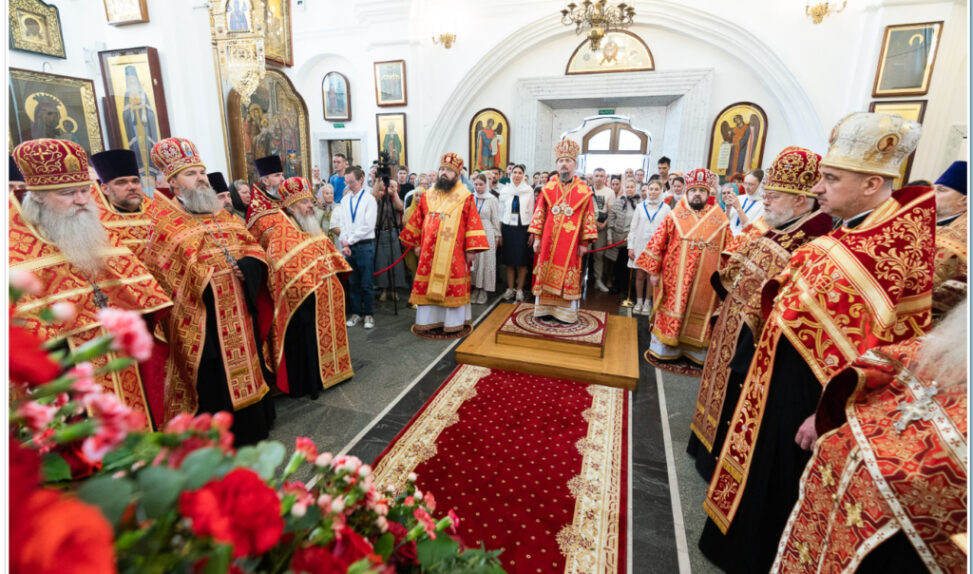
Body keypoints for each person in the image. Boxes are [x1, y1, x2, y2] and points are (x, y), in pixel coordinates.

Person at [701, 113, 935, 574]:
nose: (819, 188)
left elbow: (890, 346)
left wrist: (827, 408)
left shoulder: (892, 247)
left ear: (871, 184)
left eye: (830, 178)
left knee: (780, 481)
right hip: (775, 381)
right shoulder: (848, 230)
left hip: (810, 400)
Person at [774, 301, 967, 574]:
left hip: (907, 545)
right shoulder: (947, 347)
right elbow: (890, 362)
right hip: (843, 493)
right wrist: (829, 409)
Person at [688, 147, 833, 482]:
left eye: (773, 196)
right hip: (735, 324)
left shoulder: (814, 237)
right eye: (765, 194)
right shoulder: (781, 225)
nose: (765, 201)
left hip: (756, 342)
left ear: (800, 200)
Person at [11, 138, 172, 428]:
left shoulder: (100, 239)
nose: (83, 200)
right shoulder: (15, 258)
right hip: (69, 388)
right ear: (36, 198)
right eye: (67, 193)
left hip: (123, 370)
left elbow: (145, 301)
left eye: (86, 190)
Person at [145, 137, 275, 445]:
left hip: (241, 316)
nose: (201, 178)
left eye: (201, 171)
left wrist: (249, 266)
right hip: (203, 324)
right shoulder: (166, 225)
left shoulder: (225, 217)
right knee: (213, 380)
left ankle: (255, 425)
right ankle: (221, 437)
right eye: (191, 174)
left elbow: (255, 250)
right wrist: (205, 283)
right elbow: (164, 277)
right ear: (172, 181)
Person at [247, 176, 354, 399]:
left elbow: (329, 256)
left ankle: (332, 373)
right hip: (299, 304)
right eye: (304, 203)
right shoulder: (281, 233)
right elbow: (279, 269)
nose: (309, 207)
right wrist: (307, 283)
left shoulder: (312, 227)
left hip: (323, 297)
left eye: (309, 201)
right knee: (305, 343)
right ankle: (310, 382)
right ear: (292, 206)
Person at [637, 168, 729, 364]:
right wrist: (653, 271)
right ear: (687, 192)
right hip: (674, 278)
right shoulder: (675, 215)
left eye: (702, 191)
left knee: (699, 312)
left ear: (708, 194)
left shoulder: (719, 218)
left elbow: (730, 248)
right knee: (673, 306)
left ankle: (695, 352)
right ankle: (667, 350)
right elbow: (658, 242)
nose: (697, 194)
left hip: (706, 282)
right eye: (694, 190)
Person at [399, 153, 489, 337]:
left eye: (449, 170)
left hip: (455, 252)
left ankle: (453, 323)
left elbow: (472, 222)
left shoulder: (465, 196)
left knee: (451, 283)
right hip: (428, 252)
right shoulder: (428, 195)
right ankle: (428, 321)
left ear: (457, 174)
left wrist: (471, 249)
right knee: (428, 283)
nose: (444, 173)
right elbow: (418, 219)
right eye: (442, 169)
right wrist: (416, 243)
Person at [529, 140, 598, 323]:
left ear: (574, 165)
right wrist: (536, 238)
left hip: (572, 243)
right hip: (548, 242)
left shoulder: (584, 191)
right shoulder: (547, 189)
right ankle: (544, 309)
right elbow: (539, 214)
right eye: (561, 160)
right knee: (545, 270)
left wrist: (584, 243)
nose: (564, 164)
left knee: (569, 272)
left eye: (568, 160)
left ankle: (565, 313)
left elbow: (588, 218)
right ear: (556, 165)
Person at [89, 148, 155, 261]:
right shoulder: (95, 222)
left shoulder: (158, 213)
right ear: (105, 189)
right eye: (121, 182)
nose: (131, 187)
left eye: (135, 181)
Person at [338, 166, 378, 329]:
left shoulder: (369, 199)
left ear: (361, 179)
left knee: (366, 282)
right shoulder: (345, 200)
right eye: (346, 182)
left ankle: (368, 314)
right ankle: (356, 313)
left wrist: (350, 240)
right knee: (353, 282)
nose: (349, 185)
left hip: (364, 245)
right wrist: (344, 241)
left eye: (352, 182)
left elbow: (368, 226)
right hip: (350, 247)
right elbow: (343, 223)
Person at [627, 179, 670, 315]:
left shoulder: (666, 208)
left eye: (656, 189)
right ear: (647, 190)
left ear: (661, 191)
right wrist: (630, 247)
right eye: (651, 189)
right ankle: (639, 301)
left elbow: (668, 229)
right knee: (639, 274)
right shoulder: (640, 207)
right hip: (640, 245)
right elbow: (633, 229)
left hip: (656, 247)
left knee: (651, 275)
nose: (653, 192)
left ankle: (647, 302)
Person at [931, 160, 967, 318]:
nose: (931, 194)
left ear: (964, 201)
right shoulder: (920, 222)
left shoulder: (964, 234)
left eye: (941, 190)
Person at [498, 164, 536, 302]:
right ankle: (510, 288)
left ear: (524, 175)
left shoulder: (528, 190)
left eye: (520, 172)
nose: (517, 175)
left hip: (523, 228)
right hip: (508, 228)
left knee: (521, 260)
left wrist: (532, 232)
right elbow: (500, 213)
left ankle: (519, 289)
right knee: (509, 260)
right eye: (515, 172)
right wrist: (500, 233)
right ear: (510, 174)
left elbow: (532, 212)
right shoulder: (505, 190)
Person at [373, 176, 406, 303]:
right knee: (381, 262)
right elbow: (373, 197)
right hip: (380, 232)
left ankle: (394, 290)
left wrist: (395, 193)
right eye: (389, 186)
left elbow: (399, 207)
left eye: (394, 186)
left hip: (393, 232)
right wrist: (377, 182)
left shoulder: (394, 198)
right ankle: (384, 290)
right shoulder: (379, 198)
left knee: (395, 262)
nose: (391, 188)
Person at [470, 173, 501, 304]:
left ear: (486, 185)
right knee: (475, 262)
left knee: (486, 261)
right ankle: (475, 288)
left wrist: (497, 236)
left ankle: (484, 290)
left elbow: (496, 219)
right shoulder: (471, 198)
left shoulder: (492, 199)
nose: (478, 187)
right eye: (476, 184)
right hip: (473, 231)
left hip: (487, 231)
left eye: (481, 184)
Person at [606, 177, 640, 297]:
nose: (629, 189)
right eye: (627, 187)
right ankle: (616, 286)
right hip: (618, 239)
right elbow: (611, 221)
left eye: (632, 187)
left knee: (627, 266)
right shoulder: (618, 201)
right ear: (624, 188)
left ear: (636, 188)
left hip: (631, 241)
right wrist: (609, 238)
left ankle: (625, 289)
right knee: (616, 265)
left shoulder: (639, 204)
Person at [589, 167, 614, 292]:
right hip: (588, 227)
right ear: (592, 177)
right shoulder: (586, 190)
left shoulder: (609, 192)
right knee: (583, 255)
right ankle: (581, 280)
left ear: (605, 178)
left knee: (599, 255)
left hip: (602, 226)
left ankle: (598, 280)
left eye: (601, 176)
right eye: (596, 175)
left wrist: (604, 224)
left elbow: (611, 212)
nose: (599, 178)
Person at [725, 168, 765, 236]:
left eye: (751, 184)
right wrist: (728, 209)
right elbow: (726, 222)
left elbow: (752, 230)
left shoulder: (763, 205)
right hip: (729, 237)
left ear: (760, 185)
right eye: (745, 183)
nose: (746, 187)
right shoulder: (740, 198)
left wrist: (739, 209)